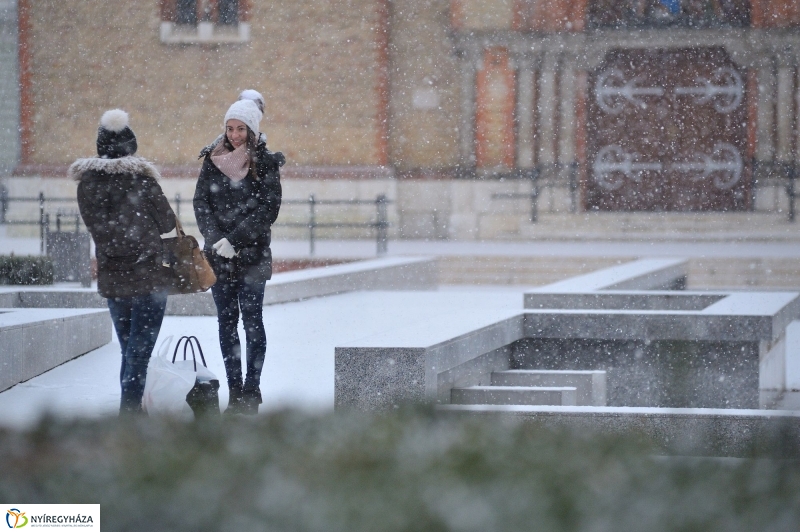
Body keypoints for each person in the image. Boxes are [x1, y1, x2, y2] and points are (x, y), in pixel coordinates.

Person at [70, 109, 176, 416]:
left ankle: (132, 409)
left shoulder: (87, 184)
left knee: (130, 350)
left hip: (114, 280)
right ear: (130, 146)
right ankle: (130, 413)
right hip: (149, 277)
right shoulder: (142, 181)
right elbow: (167, 222)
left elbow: (100, 230)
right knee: (139, 351)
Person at [193, 98, 284, 415]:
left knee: (253, 324)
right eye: (230, 128)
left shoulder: (266, 163)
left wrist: (236, 239)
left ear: (252, 130)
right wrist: (217, 239)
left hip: (252, 258)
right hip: (219, 258)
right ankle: (234, 392)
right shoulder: (211, 160)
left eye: (240, 129)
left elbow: (268, 210)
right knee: (226, 325)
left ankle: (251, 389)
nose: (234, 134)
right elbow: (201, 204)